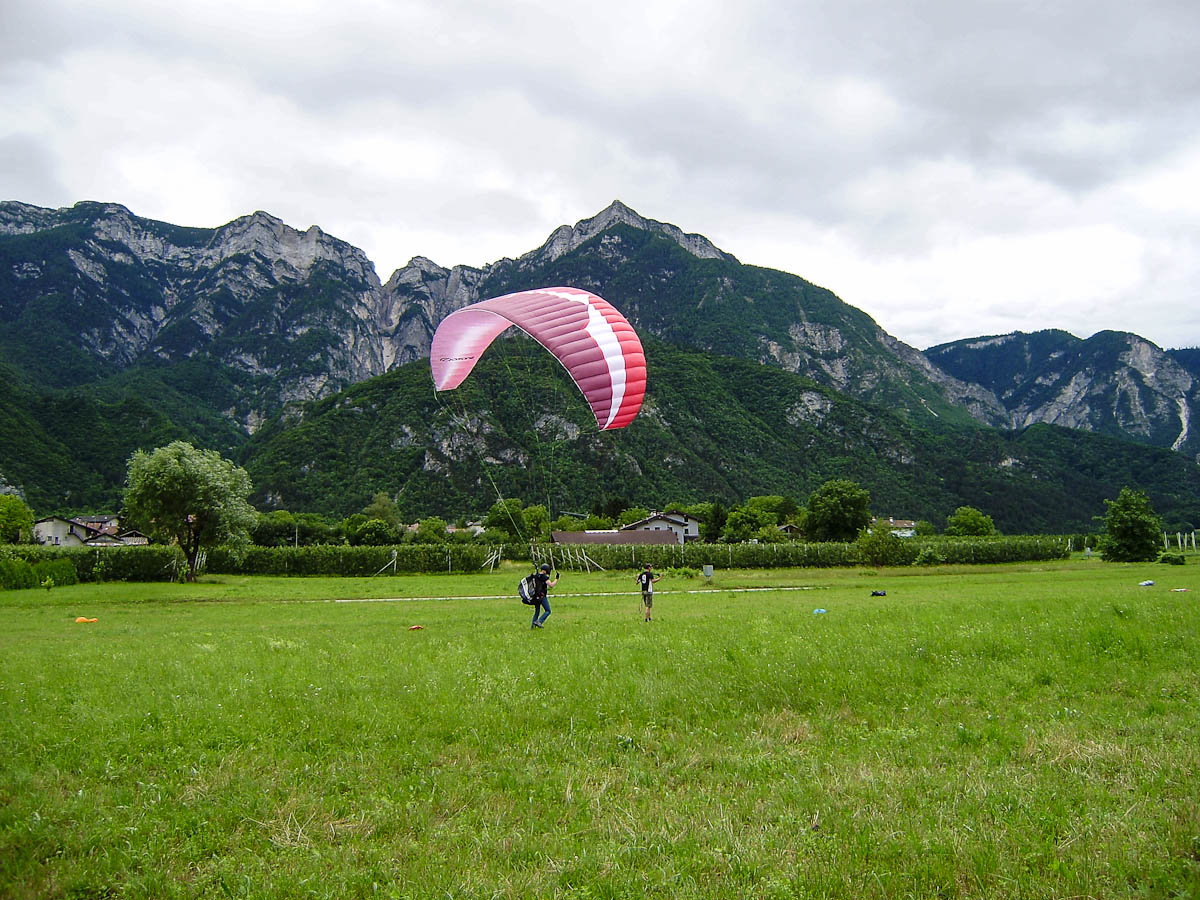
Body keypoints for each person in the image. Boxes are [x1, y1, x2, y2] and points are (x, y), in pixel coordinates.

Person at [531, 562, 557, 628]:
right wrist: (556, 579)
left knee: (537, 611)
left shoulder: (536, 575)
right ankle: (539, 621)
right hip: (542, 596)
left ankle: (533, 626)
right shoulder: (544, 577)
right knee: (548, 610)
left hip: (535, 596)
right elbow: (551, 585)